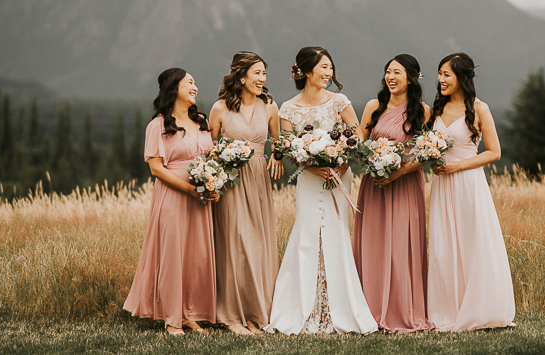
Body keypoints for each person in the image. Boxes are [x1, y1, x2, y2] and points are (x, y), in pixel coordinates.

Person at [264, 46, 377, 335]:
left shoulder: (339, 101)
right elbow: (291, 149)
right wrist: (314, 168)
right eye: (322, 67)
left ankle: (340, 308)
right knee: (307, 234)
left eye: (330, 67)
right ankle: (303, 307)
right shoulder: (288, 108)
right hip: (310, 179)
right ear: (305, 71)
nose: (328, 73)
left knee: (337, 233)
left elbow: (358, 135)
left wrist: (340, 163)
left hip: (339, 176)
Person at [123, 68, 217, 336]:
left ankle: (190, 313)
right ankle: (172, 318)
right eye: (190, 82)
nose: (195, 87)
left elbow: (211, 156)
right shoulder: (157, 125)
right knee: (173, 254)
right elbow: (156, 169)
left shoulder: (201, 120)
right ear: (174, 88)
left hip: (200, 195)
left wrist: (213, 183)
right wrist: (189, 189)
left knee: (195, 256)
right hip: (174, 196)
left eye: (195, 82)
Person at [427, 52, 515, 331]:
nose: (441, 79)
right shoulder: (435, 109)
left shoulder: (480, 108)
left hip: (468, 184)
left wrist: (458, 166)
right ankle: (448, 310)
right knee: (443, 247)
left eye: (447, 74)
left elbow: (495, 152)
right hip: (441, 185)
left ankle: (481, 309)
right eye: (439, 74)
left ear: (462, 77)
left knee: (472, 242)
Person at [352, 54, 433, 333]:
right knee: (373, 243)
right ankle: (368, 308)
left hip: (405, 184)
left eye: (397, 72)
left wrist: (397, 172)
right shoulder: (374, 106)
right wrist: (371, 164)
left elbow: (426, 153)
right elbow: (358, 144)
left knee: (402, 245)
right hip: (374, 186)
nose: (391, 77)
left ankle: (401, 309)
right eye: (388, 71)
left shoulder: (422, 111)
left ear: (410, 77)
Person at [208, 51, 283, 335]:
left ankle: (256, 312)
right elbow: (209, 148)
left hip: (259, 180)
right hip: (231, 182)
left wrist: (276, 157)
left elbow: (279, 142)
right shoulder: (220, 109)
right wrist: (216, 171)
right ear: (241, 77)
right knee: (236, 243)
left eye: (264, 74)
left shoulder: (270, 106)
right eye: (257, 73)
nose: (262, 79)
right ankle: (231, 315)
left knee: (260, 243)